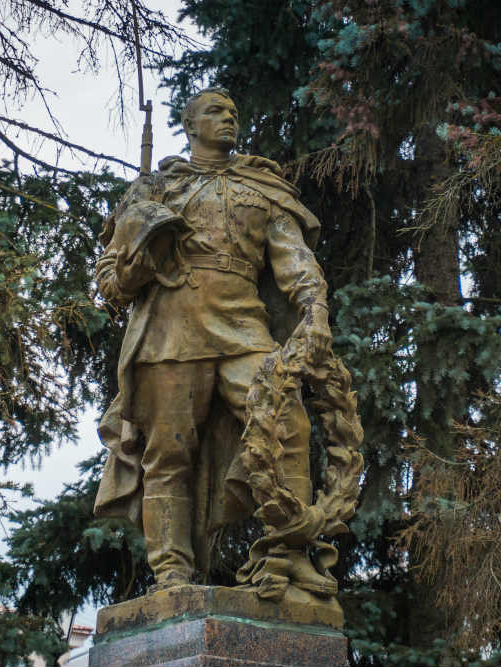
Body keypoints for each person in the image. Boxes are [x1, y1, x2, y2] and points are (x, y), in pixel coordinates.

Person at [92, 87, 334, 595]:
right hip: (171, 330)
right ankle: (172, 570)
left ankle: (287, 555)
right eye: (215, 112)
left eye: (234, 112)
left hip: (244, 325)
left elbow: (294, 260)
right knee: (169, 454)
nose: (228, 119)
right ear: (189, 124)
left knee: (286, 427)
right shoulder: (156, 190)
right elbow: (112, 283)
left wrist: (315, 310)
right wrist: (139, 259)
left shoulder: (261, 187)